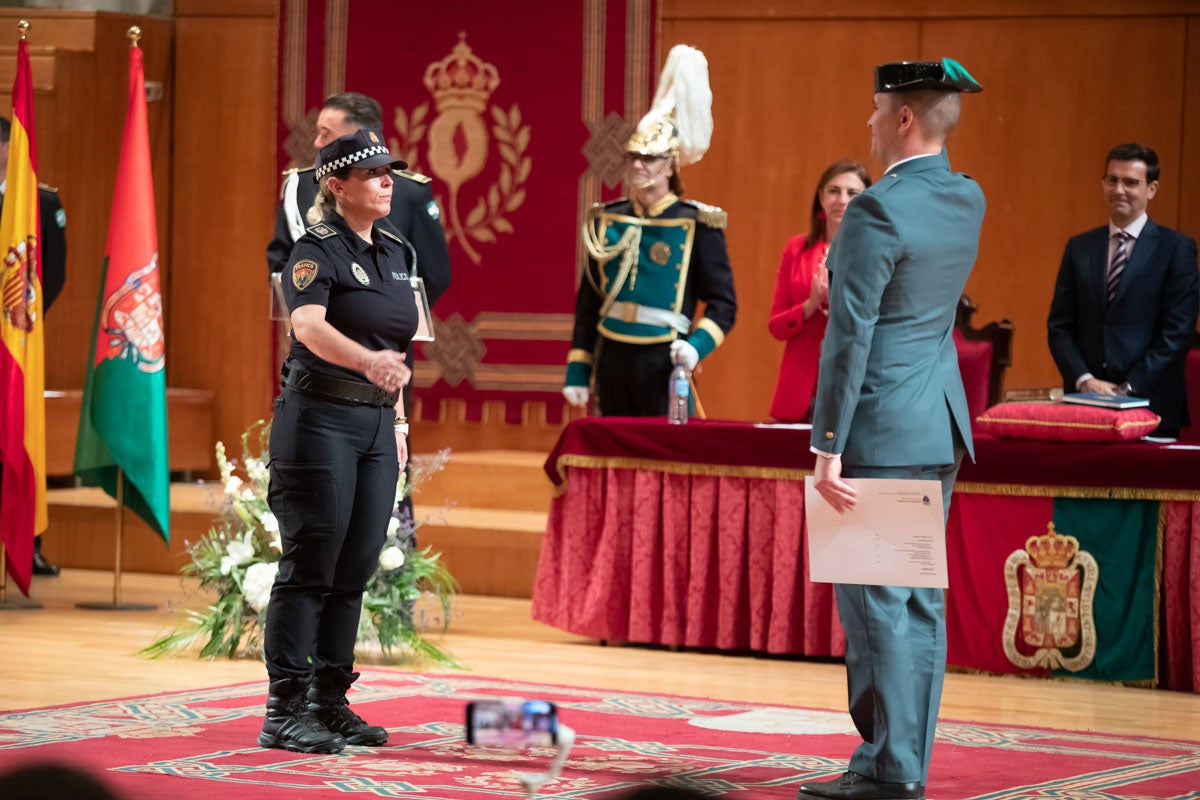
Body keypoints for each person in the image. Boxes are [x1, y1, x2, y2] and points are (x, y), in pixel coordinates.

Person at [804, 59, 985, 800]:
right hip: (936, 424)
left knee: (877, 605)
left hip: (876, 426)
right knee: (917, 602)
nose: (871, 122)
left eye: (878, 109)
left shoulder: (876, 210)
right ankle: (902, 758)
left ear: (904, 118)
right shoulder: (966, 197)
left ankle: (889, 770)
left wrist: (826, 448)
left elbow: (851, 336)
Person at [259, 129, 417, 754]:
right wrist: (367, 364)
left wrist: (399, 423)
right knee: (312, 562)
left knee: (354, 564)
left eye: (390, 171)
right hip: (319, 421)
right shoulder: (314, 249)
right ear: (336, 185)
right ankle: (285, 708)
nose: (387, 180)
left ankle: (330, 700)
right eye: (373, 172)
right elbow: (309, 327)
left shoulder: (396, 251)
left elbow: (399, 349)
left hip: (376, 426)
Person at [564, 45, 736, 416]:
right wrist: (579, 369)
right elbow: (590, 301)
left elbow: (724, 304)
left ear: (670, 166)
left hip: (664, 356)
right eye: (634, 157)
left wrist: (696, 347)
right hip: (612, 354)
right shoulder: (607, 219)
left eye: (649, 158)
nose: (638, 166)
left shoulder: (697, 222)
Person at [1047, 143, 1199, 438]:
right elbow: (1059, 327)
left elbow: (1178, 333)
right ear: (1103, 183)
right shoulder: (1079, 247)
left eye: (1130, 182)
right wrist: (1085, 380)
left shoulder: (1176, 249)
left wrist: (1125, 389)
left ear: (1151, 189)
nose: (1119, 189)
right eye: (1112, 180)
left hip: (1151, 409)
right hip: (1085, 405)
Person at [1, 115, 66, 576]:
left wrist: (23, 324)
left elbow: (55, 271)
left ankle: (28, 544)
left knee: (25, 435)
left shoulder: (42, 200)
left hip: (20, 339)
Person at [768, 160, 871, 422]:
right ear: (821, 197)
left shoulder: (872, 253)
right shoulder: (797, 249)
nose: (842, 199)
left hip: (851, 383)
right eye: (834, 191)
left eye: (852, 193)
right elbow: (776, 326)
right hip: (799, 385)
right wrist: (810, 305)